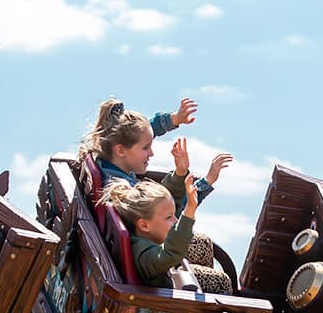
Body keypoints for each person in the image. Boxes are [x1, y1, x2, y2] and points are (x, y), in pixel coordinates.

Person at [78, 98, 234, 291]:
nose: (151, 153)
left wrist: (174, 119)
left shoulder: (109, 160)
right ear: (121, 150)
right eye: (145, 148)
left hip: (147, 244)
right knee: (220, 281)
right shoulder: (124, 188)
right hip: (152, 261)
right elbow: (167, 210)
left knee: (203, 244)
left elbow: (138, 133)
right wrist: (204, 182)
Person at [100, 176, 219, 291]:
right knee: (221, 282)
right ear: (144, 225)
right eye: (169, 217)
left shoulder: (141, 235)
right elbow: (170, 254)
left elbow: (164, 207)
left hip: (172, 276)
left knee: (203, 244)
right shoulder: (144, 256)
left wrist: (178, 177)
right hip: (165, 305)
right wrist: (189, 212)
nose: (176, 220)